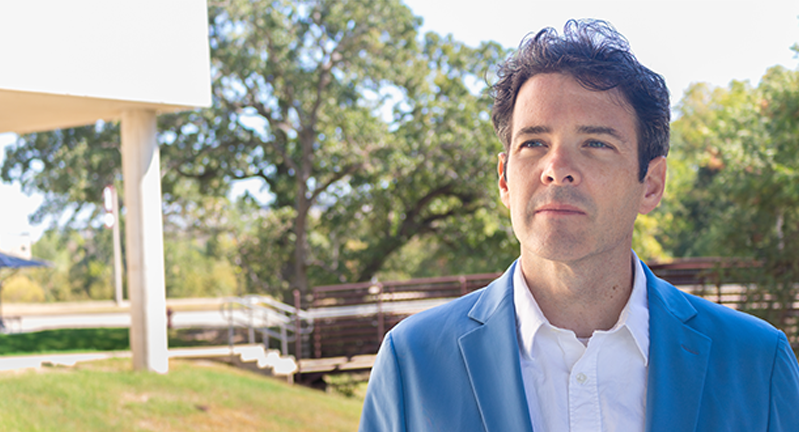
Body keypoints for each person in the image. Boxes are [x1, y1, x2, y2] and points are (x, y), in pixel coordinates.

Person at [358, 19, 799, 432]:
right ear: (504, 180)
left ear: (651, 183)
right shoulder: (411, 362)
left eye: (595, 143)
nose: (557, 168)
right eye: (533, 142)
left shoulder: (757, 363)